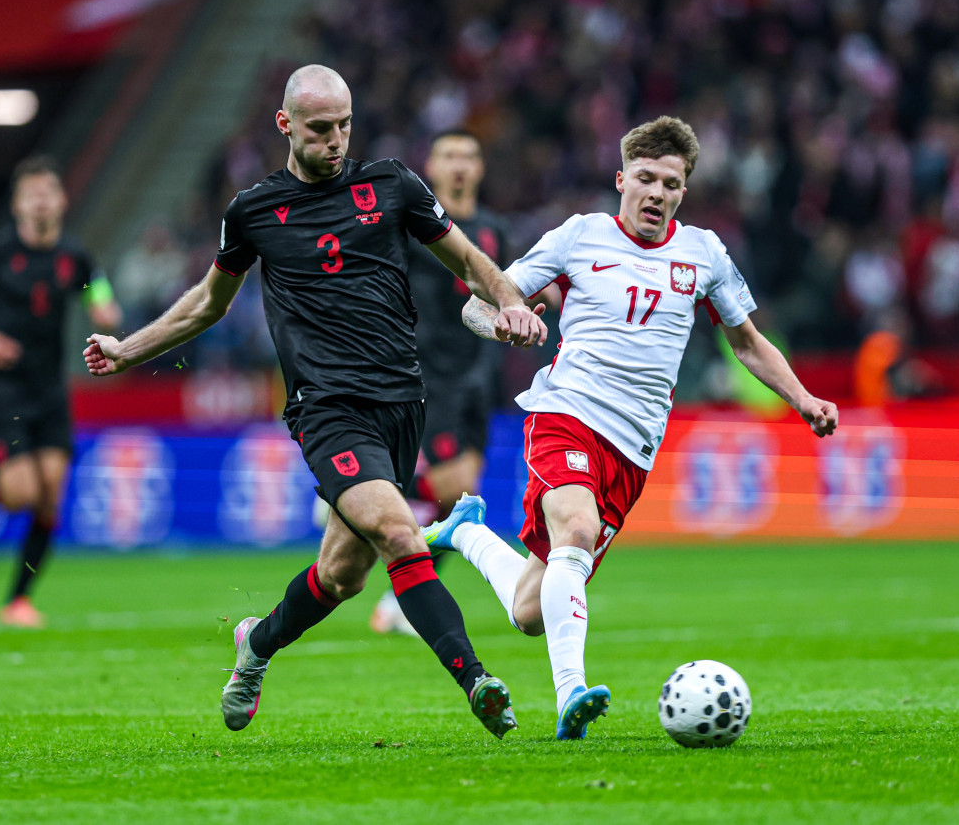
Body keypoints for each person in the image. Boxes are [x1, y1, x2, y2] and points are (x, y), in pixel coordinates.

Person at [82, 65, 547, 739]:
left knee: (341, 574)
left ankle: (256, 643)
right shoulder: (253, 211)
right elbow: (207, 305)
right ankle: (477, 681)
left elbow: (469, 259)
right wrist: (128, 349)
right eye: (320, 128)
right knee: (399, 533)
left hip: (402, 402)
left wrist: (509, 301)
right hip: (326, 408)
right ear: (286, 125)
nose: (335, 141)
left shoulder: (391, 185)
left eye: (344, 127)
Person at [428, 116, 839, 740]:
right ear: (622, 180)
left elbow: (747, 343)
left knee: (532, 609)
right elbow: (478, 305)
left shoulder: (704, 254)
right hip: (566, 415)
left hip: (633, 449)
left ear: (683, 192)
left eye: (670, 184)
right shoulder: (579, 236)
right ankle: (571, 695)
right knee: (577, 529)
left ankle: (466, 532)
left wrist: (803, 398)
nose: (656, 193)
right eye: (645, 178)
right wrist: (507, 320)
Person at [0, 155, 122, 628]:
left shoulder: (73, 255)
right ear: (17, 205)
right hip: (2, 389)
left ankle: (17, 600)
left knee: (50, 496)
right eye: (31, 194)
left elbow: (96, 287)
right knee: (20, 494)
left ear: (61, 201)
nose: (40, 201)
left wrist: (104, 310)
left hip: (49, 389)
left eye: (48, 192)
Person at [369, 129, 516, 636]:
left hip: (480, 377)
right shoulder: (410, 228)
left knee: (459, 502)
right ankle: (364, 494)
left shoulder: (493, 230)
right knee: (457, 494)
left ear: (480, 168)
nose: (458, 165)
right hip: (428, 374)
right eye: (448, 155)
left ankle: (396, 594)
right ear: (430, 168)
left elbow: (509, 288)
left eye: (468, 156)